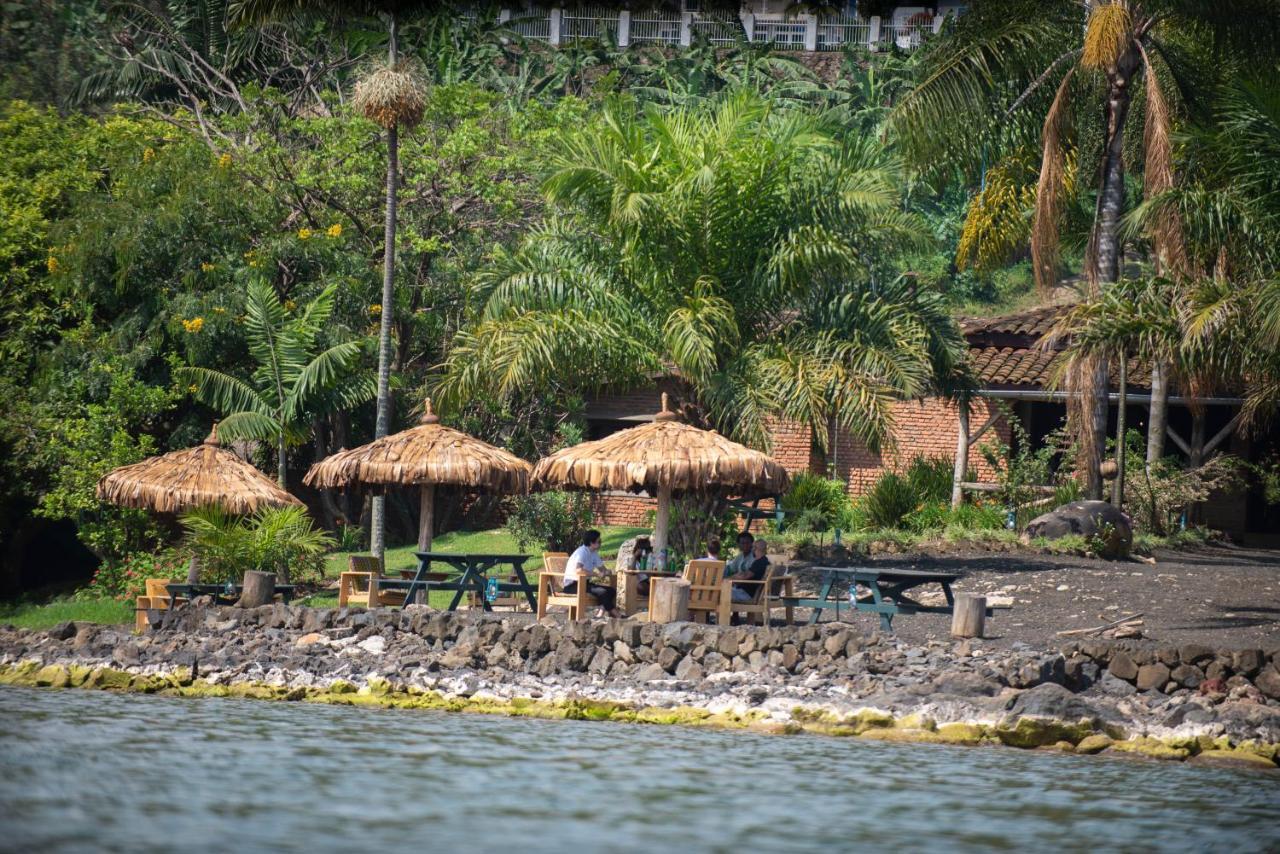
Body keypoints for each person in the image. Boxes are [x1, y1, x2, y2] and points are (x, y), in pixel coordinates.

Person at [563, 529, 619, 617]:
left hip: (584, 584)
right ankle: (616, 615)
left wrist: (607, 572)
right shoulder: (582, 552)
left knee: (611, 590)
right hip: (572, 585)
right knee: (602, 592)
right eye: (599, 541)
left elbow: (602, 569)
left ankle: (600, 614)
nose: (600, 544)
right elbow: (578, 570)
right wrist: (597, 574)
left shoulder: (594, 553)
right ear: (591, 543)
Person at [729, 539, 769, 604]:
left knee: (719, 593)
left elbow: (745, 576)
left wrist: (728, 579)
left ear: (755, 548)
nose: (751, 549)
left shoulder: (760, 563)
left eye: (752, 547)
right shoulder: (763, 561)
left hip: (746, 594)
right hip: (744, 592)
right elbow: (746, 574)